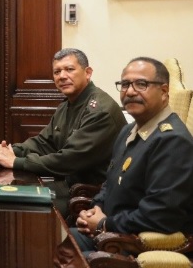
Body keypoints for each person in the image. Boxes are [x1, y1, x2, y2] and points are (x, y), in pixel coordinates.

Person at [73, 57, 193, 252]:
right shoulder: (128, 130)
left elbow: (161, 215)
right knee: (50, 243)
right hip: (110, 233)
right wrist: (96, 208)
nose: (130, 92)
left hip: (136, 244)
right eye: (125, 84)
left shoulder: (172, 141)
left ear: (164, 92)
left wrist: (105, 223)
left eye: (141, 84)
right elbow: (110, 183)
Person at [0, 48, 126, 188]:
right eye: (57, 72)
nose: (62, 76)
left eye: (69, 69)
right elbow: (45, 143)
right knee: (1, 191)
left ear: (87, 73)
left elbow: (69, 160)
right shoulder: (67, 104)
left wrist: (16, 162)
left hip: (92, 192)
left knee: (16, 195)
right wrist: (10, 150)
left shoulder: (99, 111)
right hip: (70, 183)